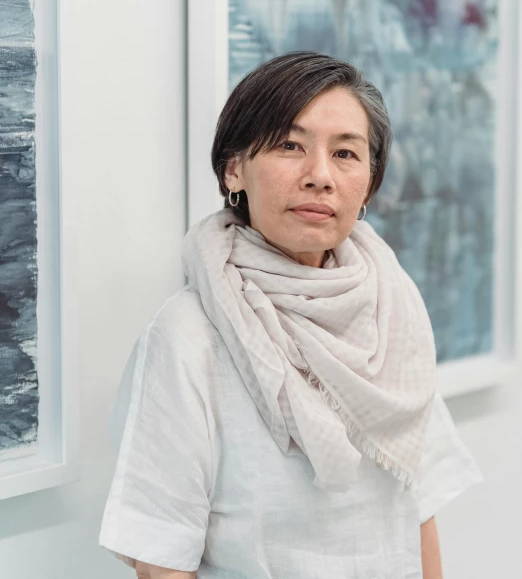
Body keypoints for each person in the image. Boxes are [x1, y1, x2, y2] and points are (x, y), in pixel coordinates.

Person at [99, 52, 482, 578]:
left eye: (346, 153)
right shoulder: (189, 336)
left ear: (368, 183)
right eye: (289, 145)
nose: (320, 175)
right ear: (234, 168)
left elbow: (417, 506)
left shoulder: (391, 306)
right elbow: (161, 558)